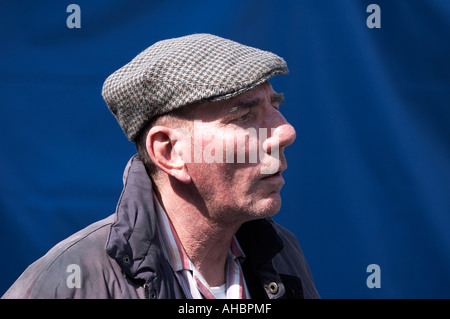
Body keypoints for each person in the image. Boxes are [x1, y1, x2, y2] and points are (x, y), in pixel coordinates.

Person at [2, 33, 319, 299]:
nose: (286, 132)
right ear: (168, 151)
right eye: (244, 115)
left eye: (275, 105)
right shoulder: (74, 281)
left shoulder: (280, 256)